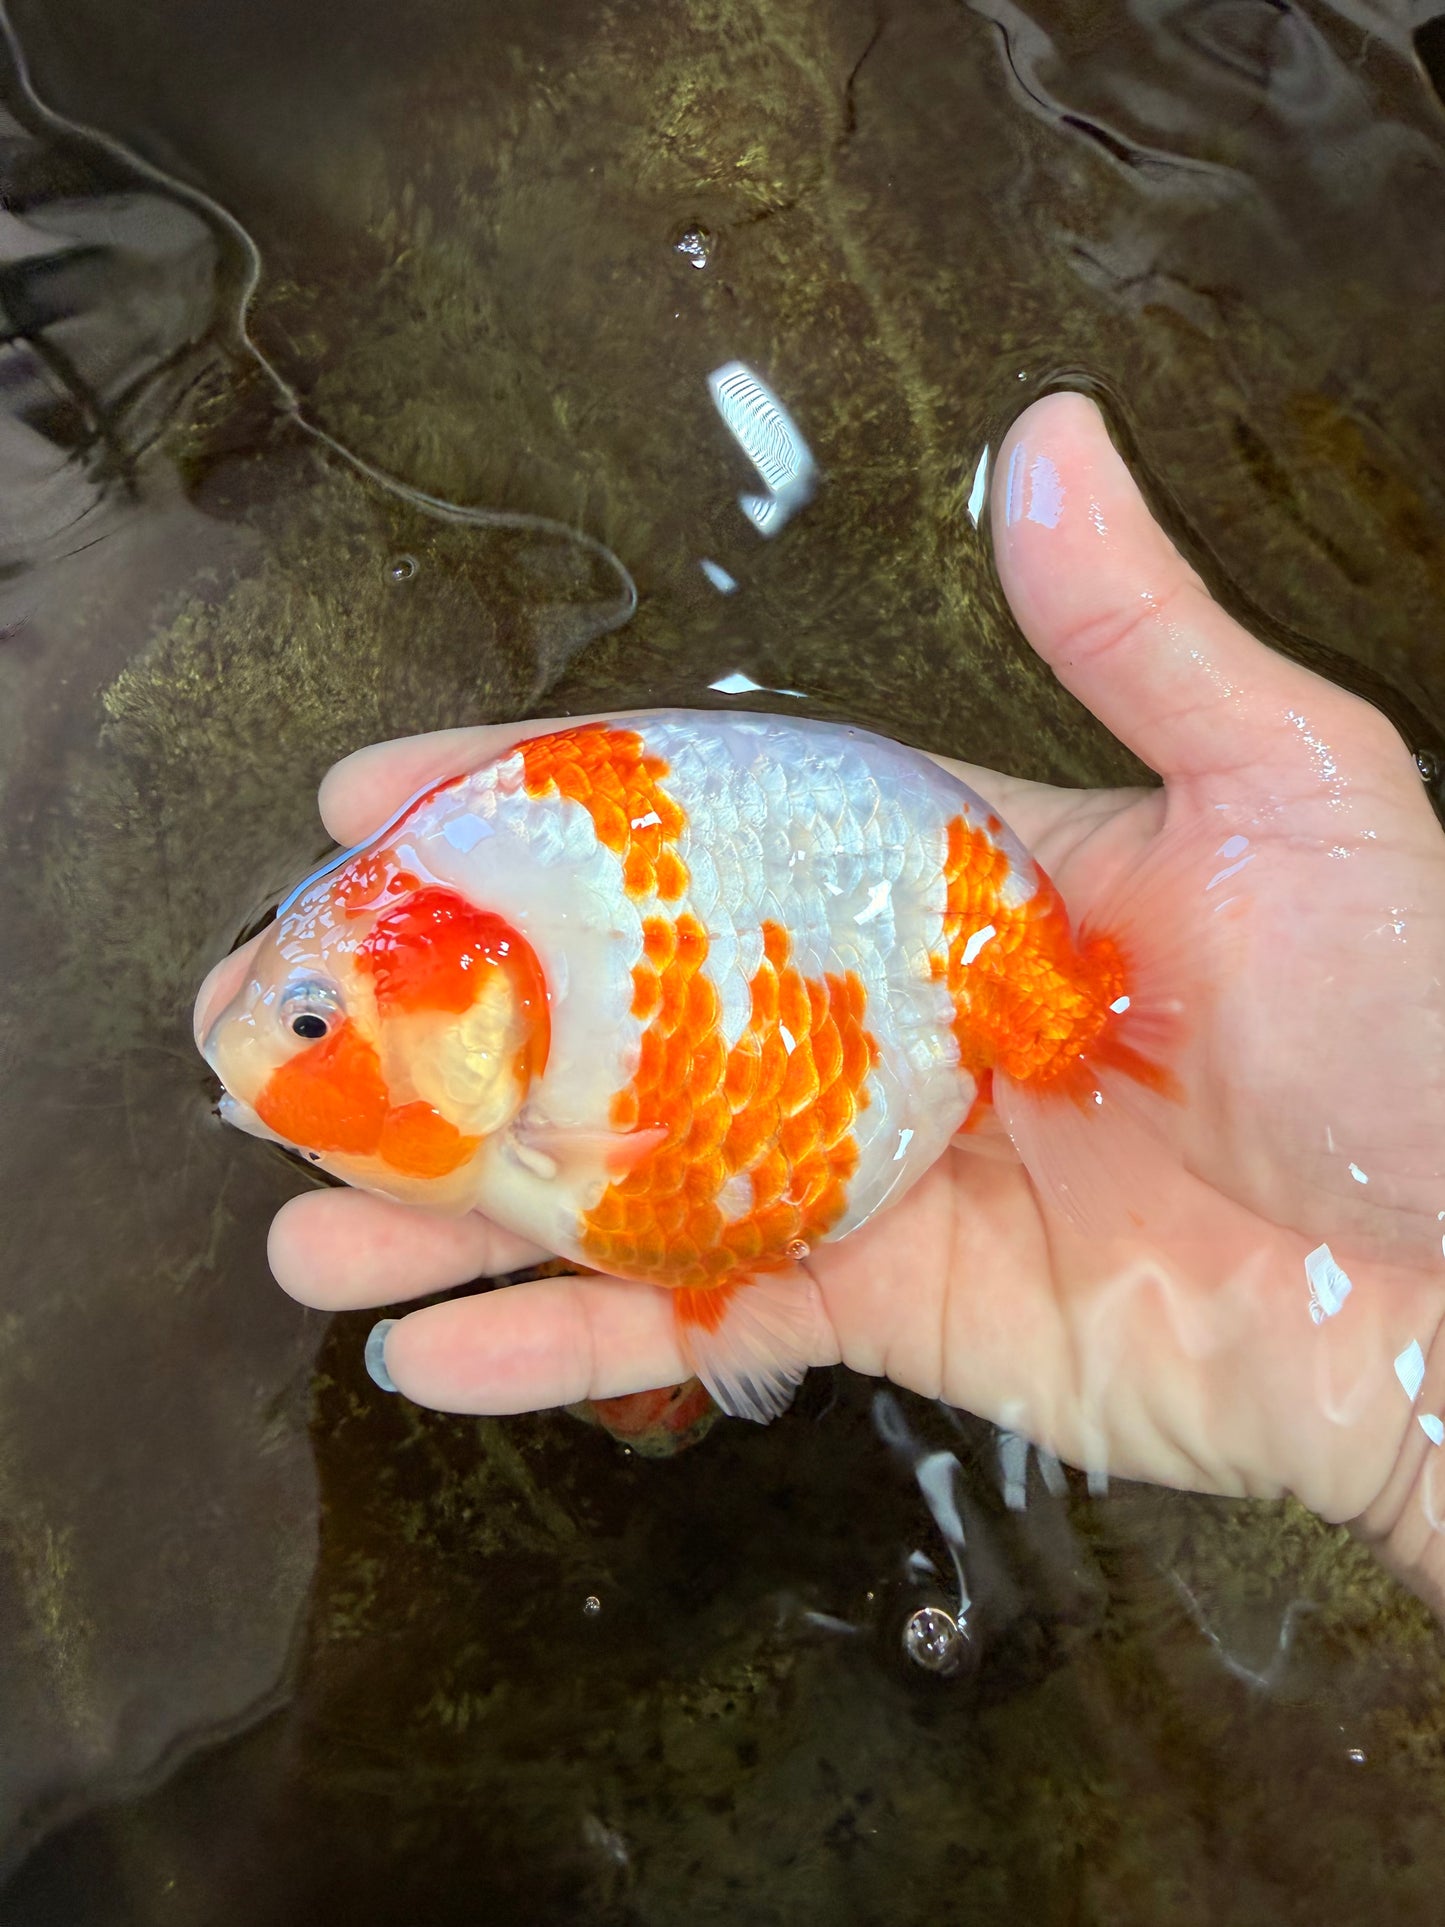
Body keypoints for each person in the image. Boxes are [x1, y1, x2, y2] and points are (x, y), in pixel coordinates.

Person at [204, 394, 1445, 1612]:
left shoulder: (519, 1036)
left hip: (910, 984)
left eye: (314, 1022)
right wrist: (1399, 1421)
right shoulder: (481, 912)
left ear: (477, 991)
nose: (280, 1056)